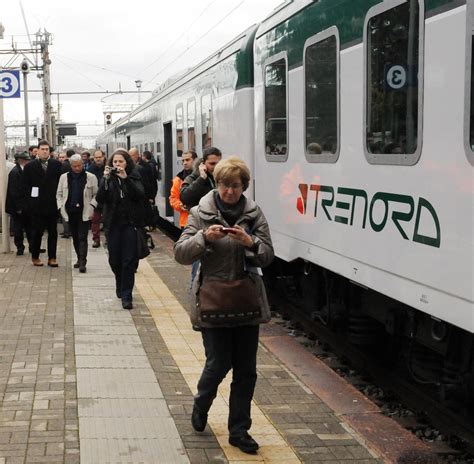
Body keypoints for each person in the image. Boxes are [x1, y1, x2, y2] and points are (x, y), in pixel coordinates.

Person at [174, 156, 274, 455]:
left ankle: (239, 430)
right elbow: (181, 253)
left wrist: (251, 243)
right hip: (213, 298)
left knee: (246, 370)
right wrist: (204, 237)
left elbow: (268, 256)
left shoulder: (254, 214)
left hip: (245, 299)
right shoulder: (200, 213)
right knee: (218, 363)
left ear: (244, 186)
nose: (229, 191)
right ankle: (202, 403)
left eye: (235, 185)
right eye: (223, 185)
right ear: (216, 184)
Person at [96, 148, 145, 310]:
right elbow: (100, 199)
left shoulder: (133, 175)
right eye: (115, 162)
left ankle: (127, 295)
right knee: (114, 260)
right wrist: (105, 179)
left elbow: (140, 194)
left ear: (127, 163)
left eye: (121, 162)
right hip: (113, 224)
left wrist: (126, 179)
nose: (118, 165)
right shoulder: (107, 178)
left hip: (130, 224)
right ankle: (119, 281)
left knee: (128, 261)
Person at [21, 139, 63, 267]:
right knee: (37, 232)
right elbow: (25, 187)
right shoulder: (30, 166)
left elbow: (60, 184)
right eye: (42, 149)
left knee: (53, 232)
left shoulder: (56, 165)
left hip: (52, 205)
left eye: (47, 149)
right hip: (36, 206)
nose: (45, 151)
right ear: (37, 151)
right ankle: (35, 257)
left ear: (49, 151)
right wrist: (30, 203)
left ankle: (52, 258)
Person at [57, 155, 98, 273]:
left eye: (79, 165)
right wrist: (60, 207)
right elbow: (59, 194)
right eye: (74, 166)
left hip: (84, 212)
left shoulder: (90, 177)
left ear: (82, 164)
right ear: (71, 166)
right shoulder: (64, 178)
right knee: (75, 237)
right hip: (70, 212)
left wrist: (92, 205)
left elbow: (96, 194)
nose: (77, 168)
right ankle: (79, 258)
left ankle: (82, 262)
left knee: (82, 237)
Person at [6, 152, 31, 255]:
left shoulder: (24, 170)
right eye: (26, 159)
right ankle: (20, 248)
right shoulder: (15, 172)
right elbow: (14, 192)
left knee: (30, 227)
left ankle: (33, 246)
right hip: (18, 207)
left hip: (26, 205)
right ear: (20, 160)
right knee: (18, 228)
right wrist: (19, 207)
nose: (28, 161)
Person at [169, 150, 197, 228]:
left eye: (187, 160)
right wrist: (179, 205)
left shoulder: (203, 176)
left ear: (195, 160)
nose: (184, 163)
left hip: (202, 222)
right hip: (186, 222)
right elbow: (173, 198)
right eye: (183, 160)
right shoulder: (178, 180)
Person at [87, 149, 106, 248]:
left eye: (100, 157)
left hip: (107, 197)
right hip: (96, 198)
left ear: (103, 157)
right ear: (93, 158)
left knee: (108, 219)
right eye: (96, 157)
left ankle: (108, 238)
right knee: (95, 220)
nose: (98, 159)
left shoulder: (108, 167)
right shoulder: (90, 169)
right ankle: (96, 239)